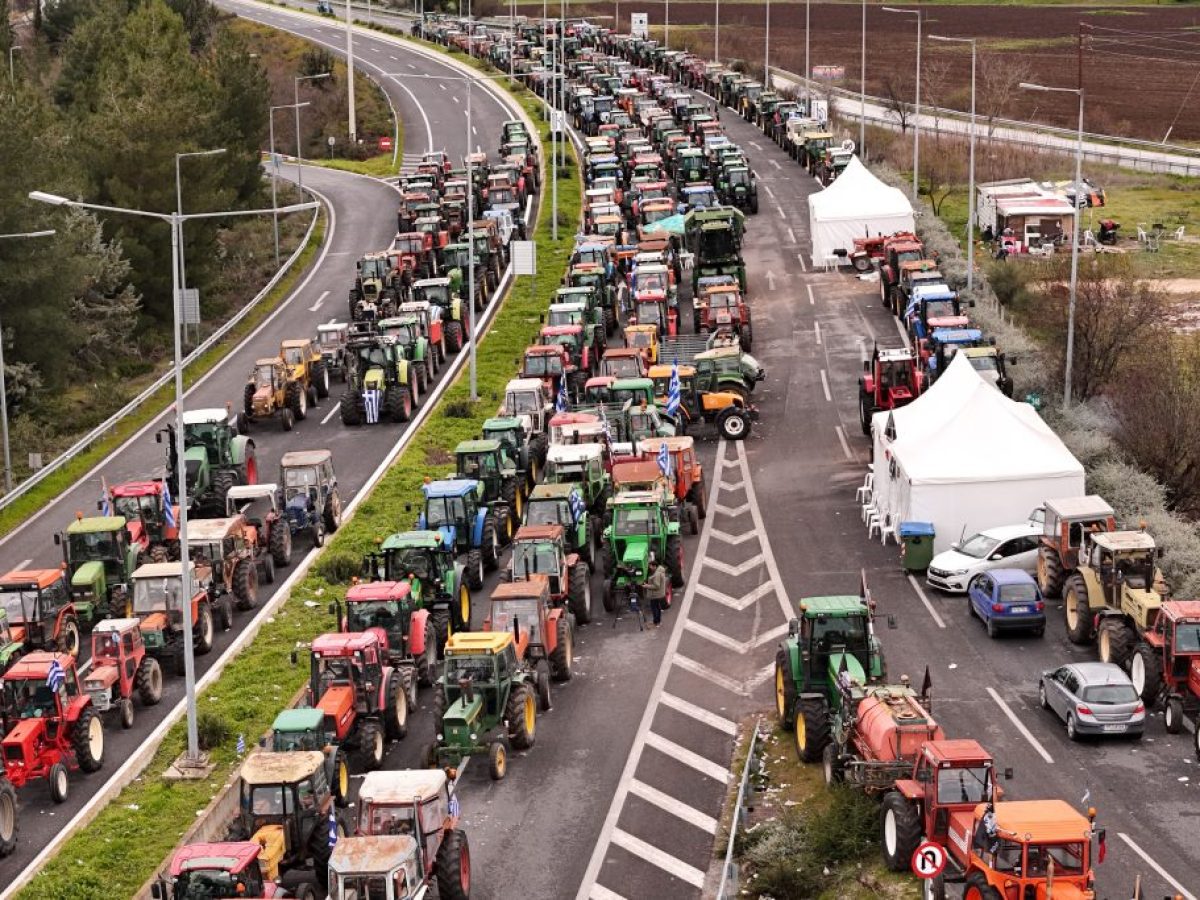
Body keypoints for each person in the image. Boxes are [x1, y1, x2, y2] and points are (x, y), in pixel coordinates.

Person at [642, 555, 668, 628]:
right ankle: (657, 622)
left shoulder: (657, 574)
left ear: (654, 566)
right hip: (658, 594)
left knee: (655, 609)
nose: (650, 568)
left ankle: (656, 622)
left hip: (655, 595)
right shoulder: (660, 571)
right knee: (657, 608)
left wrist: (646, 586)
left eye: (650, 566)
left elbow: (656, 586)